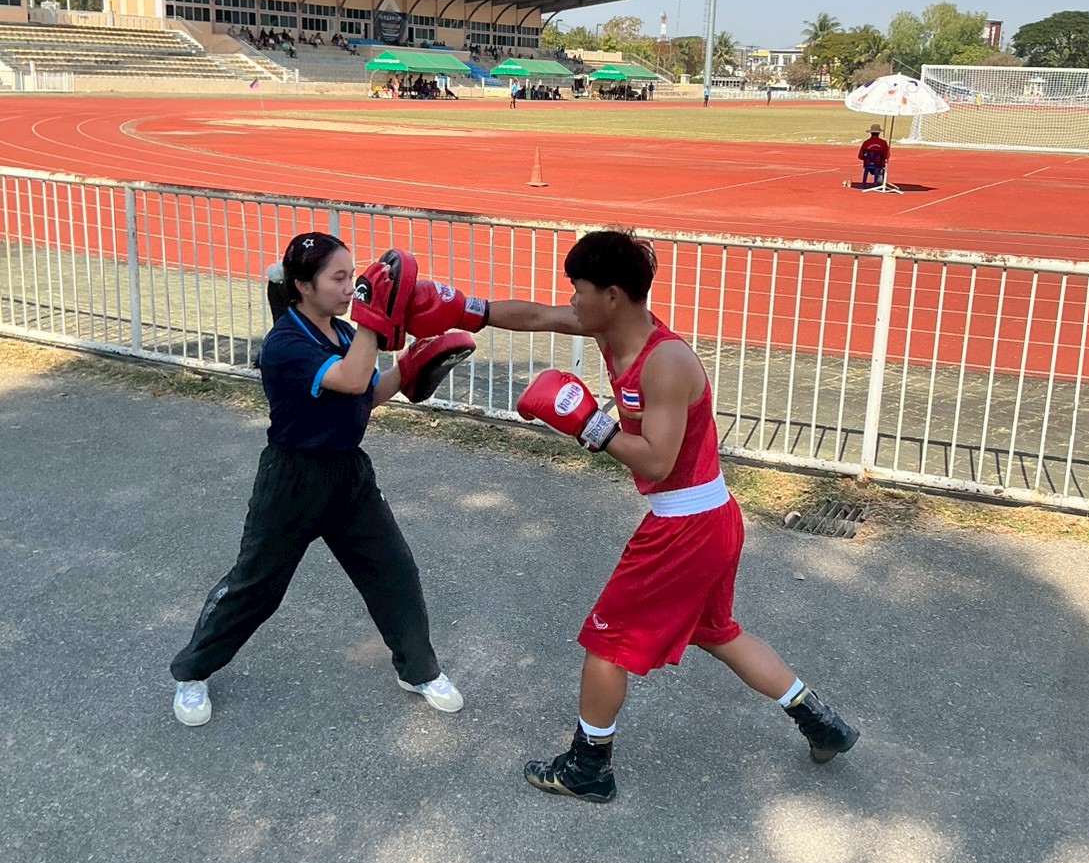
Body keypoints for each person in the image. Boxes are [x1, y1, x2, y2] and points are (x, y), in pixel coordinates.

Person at [409, 232, 859, 802]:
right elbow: (537, 315)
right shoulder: (609, 327)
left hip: (686, 527)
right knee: (717, 632)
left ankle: (588, 768)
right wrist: (464, 309)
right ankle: (822, 723)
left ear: (613, 295)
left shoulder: (665, 362)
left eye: (580, 289)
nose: (572, 300)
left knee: (606, 643)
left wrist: (588, 424)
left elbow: (658, 460)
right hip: (707, 519)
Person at [168, 234, 477, 728]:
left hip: (348, 476)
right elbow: (352, 379)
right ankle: (192, 673)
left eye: (353, 276)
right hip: (292, 480)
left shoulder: (343, 334)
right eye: (338, 278)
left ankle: (419, 671)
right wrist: (375, 319)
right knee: (256, 587)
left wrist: (412, 365)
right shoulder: (285, 344)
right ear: (303, 286)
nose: (351, 287)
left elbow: (366, 393)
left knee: (394, 573)